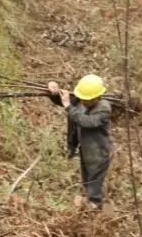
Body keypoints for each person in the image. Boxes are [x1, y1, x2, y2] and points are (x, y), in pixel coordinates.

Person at [47, 74, 113, 209]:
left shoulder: (104, 108)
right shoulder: (81, 101)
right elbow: (63, 100)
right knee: (87, 180)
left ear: (96, 97)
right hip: (86, 149)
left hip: (99, 152)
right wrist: (53, 90)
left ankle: (95, 207)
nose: (83, 101)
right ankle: (89, 205)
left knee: (94, 184)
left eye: (87, 100)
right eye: (82, 98)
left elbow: (86, 121)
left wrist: (68, 106)